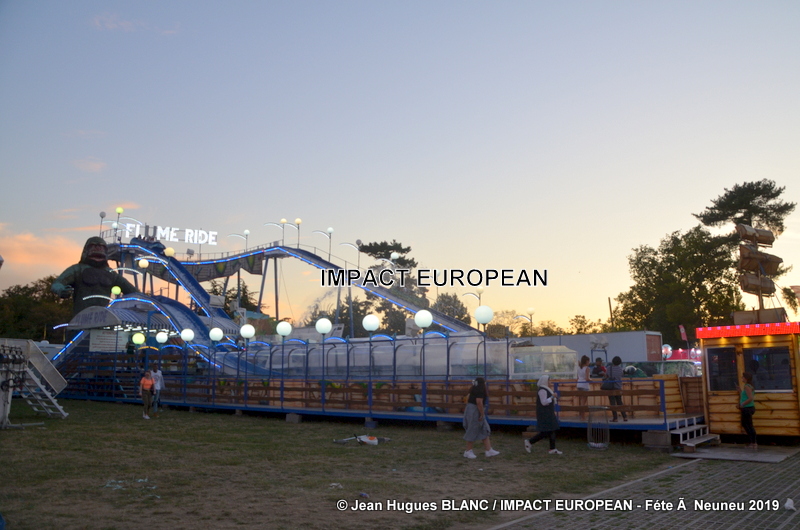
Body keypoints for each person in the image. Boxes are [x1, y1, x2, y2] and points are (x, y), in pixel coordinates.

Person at [51, 237, 137, 316]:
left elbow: (133, 292)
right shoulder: (77, 269)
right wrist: (61, 290)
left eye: (101, 246)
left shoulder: (111, 274)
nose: (98, 248)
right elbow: (57, 283)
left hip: (103, 319)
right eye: (94, 245)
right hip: (80, 318)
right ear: (86, 250)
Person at [462, 377, 500, 459]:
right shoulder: (480, 391)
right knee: (472, 429)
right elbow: (479, 402)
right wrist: (482, 414)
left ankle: (489, 450)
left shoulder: (473, 390)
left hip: (471, 409)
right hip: (475, 411)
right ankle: (468, 451)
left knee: (484, 428)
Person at [524, 374, 562, 454]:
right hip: (544, 413)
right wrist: (552, 397)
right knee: (546, 431)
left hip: (548, 412)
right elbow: (543, 402)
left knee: (551, 429)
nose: (550, 382)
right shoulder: (542, 390)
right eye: (549, 380)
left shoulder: (547, 389)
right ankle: (530, 442)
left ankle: (552, 448)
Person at [737, 372, 757, 449]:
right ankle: (752, 442)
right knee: (746, 424)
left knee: (748, 425)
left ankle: (753, 443)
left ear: (746, 378)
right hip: (748, 408)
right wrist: (740, 391)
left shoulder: (747, 386)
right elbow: (744, 396)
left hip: (747, 408)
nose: (742, 378)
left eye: (743, 377)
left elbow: (750, 398)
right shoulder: (748, 386)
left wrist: (742, 404)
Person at [606, 356, 627, 422]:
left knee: (612, 403)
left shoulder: (609, 368)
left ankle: (615, 418)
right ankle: (625, 417)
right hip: (618, 387)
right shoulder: (620, 369)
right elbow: (621, 375)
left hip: (611, 387)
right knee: (619, 402)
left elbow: (607, 375)